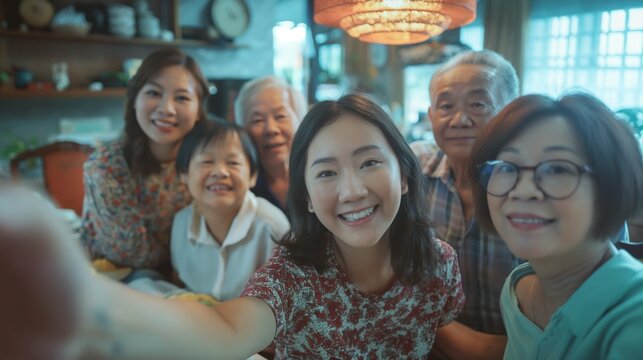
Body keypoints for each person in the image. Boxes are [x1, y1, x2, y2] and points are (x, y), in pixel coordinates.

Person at [0, 92, 464, 359]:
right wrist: (77, 302)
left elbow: (438, 330)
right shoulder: (291, 277)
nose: (351, 191)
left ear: (404, 175)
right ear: (304, 193)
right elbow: (225, 329)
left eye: (369, 164)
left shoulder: (437, 262)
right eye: (325, 172)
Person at [469, 93, 643, 358]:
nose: (523, 191)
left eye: (557, 169)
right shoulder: (517, 291)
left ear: (612, 184)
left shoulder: (634, 315)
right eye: (506, 167)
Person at [410, 50, 522, 358]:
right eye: (446, 106)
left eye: (478, 104)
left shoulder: (531, 189)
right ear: (431, 115)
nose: (460, 120)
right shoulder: (412, 170)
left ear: (509, 111)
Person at [80, 47, 209, 272]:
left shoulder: (209, 160)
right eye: (153, 93)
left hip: (190, 277)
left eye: (181, 97)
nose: (166, 109)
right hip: (114, 279)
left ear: (198, 109)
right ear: (134, 99)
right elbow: (130, 252)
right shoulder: (106, 166)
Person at [166, 117, 289, 301]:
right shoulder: (181, 222)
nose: (220, 172)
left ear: (252, 176)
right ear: (184, 173)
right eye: (206, 161)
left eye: (233, 163)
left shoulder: (270, 226)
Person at [234, 76, 307, 213]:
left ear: (301, 120)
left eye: (280, 116)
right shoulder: (240, 186)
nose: (271, 129)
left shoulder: (319, 174)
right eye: (257, 120)